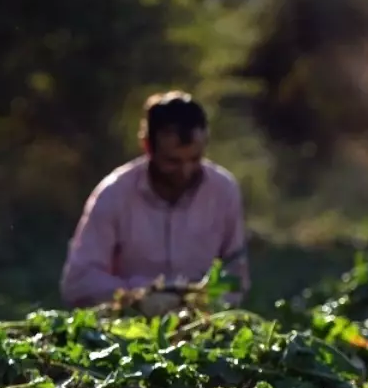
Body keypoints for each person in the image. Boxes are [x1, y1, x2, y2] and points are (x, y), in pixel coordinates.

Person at [59, 91, 250, 309]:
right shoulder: (114, 194)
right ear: (148, 146)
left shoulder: (224, 191)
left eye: (194, 159)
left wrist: (209, 301)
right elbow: (78, 281)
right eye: (172, 162)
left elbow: (235, 271)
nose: (185, 171)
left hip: (202, 322)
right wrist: (136, 297)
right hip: (127, 328)